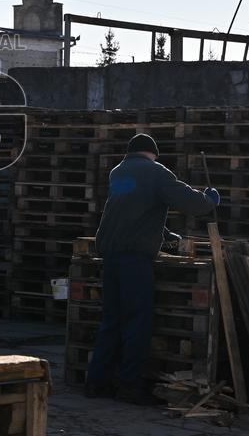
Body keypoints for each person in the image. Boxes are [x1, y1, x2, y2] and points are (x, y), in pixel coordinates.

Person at [85, 133, 218, 404]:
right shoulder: (156, 172)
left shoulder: (118, 173)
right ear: (152, 153)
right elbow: (189, 202)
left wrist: (165, 235)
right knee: (137, 322)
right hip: (135, 261)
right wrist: (209, 201)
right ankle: (128, 387)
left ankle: (96, 383)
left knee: (111, 321)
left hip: (110, 259)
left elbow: (133, 211)